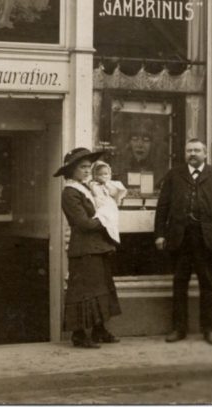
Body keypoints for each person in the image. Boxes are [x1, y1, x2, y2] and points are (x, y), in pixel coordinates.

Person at [155, 138, 212, 345]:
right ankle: (179, 329)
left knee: (208, 284)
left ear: (205, 154)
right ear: (185, 153)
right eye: (189, 150)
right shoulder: (174, 175)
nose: (192, 154)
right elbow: (162, 208)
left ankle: (208, 329)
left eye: (197, 150)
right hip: (180, 239)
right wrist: (160, 234)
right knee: (179, 283)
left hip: (206, 239)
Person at [57, 147, 122, 348]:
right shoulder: (70, 192)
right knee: (84, 291)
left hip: (97, 247)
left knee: (100, 289)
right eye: (82, 167)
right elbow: (82, 223)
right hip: (84, 249)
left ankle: (99, 330)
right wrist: (105, 220)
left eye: (88, 167)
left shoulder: (87, 189)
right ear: (71, 171)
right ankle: (79, 334)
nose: (87, 171)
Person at [89, 160, 129, 245]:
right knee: (103, 219)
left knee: (111, 220)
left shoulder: (111, 184)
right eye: (99, 174)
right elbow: (96, 195)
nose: (103, 176)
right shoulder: (93, 185)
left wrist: (108, 187)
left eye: (105, 174)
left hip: (109, 205)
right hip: (100, 205)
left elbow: (116, 193)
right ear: (94, 175)